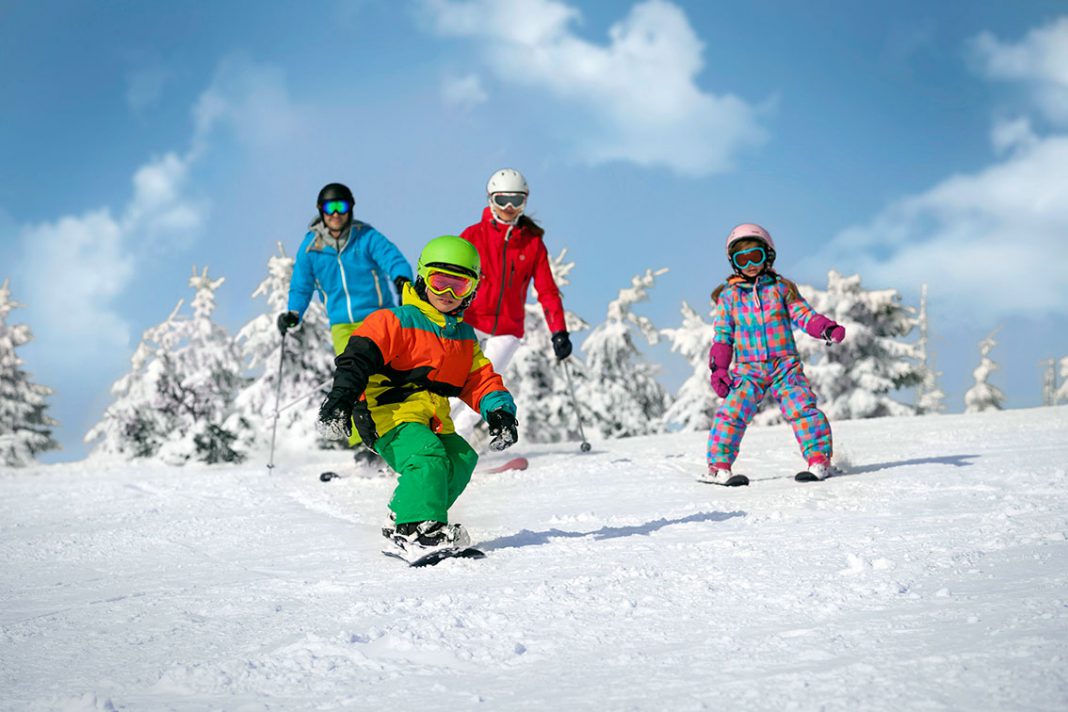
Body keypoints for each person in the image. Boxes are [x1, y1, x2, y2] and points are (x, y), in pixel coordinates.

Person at [317, 235, 518, 556]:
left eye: (460, 286)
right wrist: (341, 399)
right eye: (440, 283)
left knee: (462, 459)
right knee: (427, 458)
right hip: (386, 413)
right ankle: (414, 528)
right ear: (423, 279)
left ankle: (408, 514)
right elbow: (356, 358)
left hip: (432, 418)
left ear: (473, 289)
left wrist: (500, 411)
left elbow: (479, 378)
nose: (449, 294)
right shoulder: (394, 320)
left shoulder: (463, 336)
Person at [278, 182, 413, 457]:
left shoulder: (365, 237)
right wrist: (294, 312)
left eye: (343, 207)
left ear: (351, 209)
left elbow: (392, 258)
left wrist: (401, 279)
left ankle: (403, 432)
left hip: (379, 317)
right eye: (330, 207)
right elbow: (302, 285)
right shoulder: (311, 248)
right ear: (321, 211)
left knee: (391, 375)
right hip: (343, 324)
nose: (336, 213)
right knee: (352, 379)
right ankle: (363, 447)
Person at [705, 223, 846, 486]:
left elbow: (804, 315)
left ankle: (819, 460)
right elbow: (723, 336)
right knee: (732, 412)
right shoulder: (729, 297)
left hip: (785, 366)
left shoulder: (781, 289)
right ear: (733, 262)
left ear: (767, 255)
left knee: (802, 408)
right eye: (741, 259)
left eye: (754, 256)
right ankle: (718, 466)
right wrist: (719, 369)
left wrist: (825, 328)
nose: (749, 264)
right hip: (748, 369)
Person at [451, 168, 571, 436]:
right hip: (470, 320)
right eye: (502, 199)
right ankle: (422, 440)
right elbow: (449, 275)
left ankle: (455, 444)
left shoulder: (532, 244)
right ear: (490, 200)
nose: (508, 207)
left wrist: (559, 331)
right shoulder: (473, 235)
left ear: (524, 202)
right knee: (452, 384)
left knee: (482, 387)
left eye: (516, 201)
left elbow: (548, 291)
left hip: (507, 327)